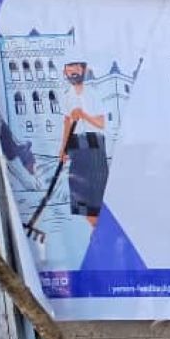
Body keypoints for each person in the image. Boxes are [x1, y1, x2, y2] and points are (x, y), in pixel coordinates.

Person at [58, 61, 109, 230]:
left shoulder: (93, 94)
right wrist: (63, 148)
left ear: (84, 70)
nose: (73, 73)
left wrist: (84, 115)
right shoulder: (66, 96)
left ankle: (100, 234)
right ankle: (96, 232)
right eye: (69, 69)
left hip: (94, 145)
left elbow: (101, 123)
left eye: (76, 69)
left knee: (96, 198)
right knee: (82, 198)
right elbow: (67, 123)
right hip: (76, 146)